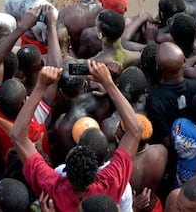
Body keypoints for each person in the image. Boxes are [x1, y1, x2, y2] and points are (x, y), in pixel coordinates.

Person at [11, 62, 142, 210]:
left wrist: (41, 86)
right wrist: (108, 83)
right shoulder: (111, 183)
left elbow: (17, 136)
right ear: (97, 171)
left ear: (65, 170)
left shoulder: (51, 187)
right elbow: (135, 130)